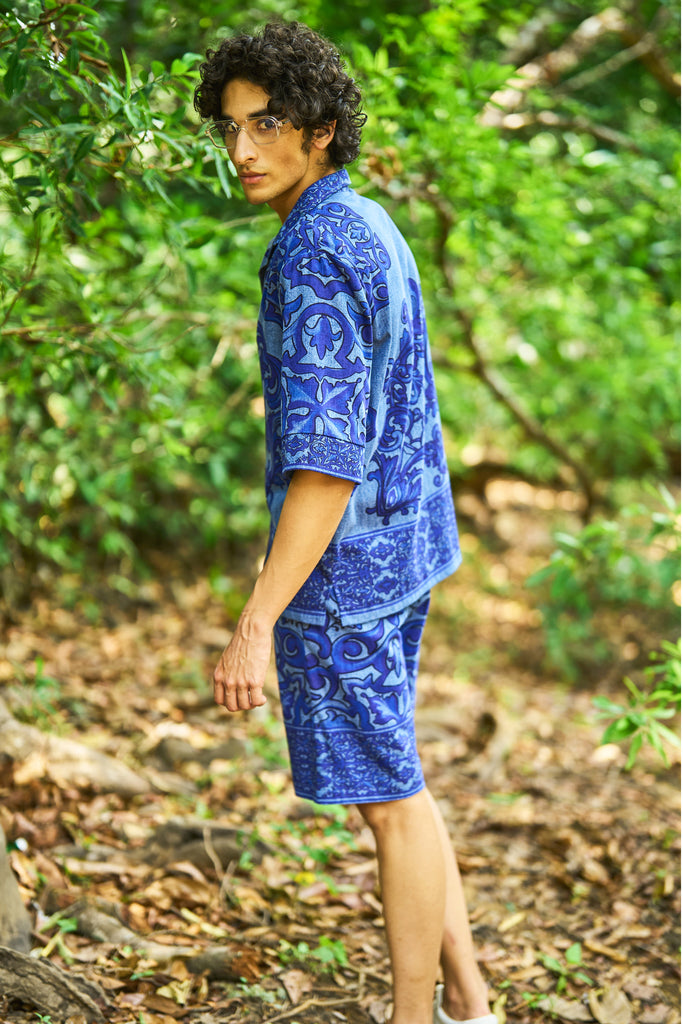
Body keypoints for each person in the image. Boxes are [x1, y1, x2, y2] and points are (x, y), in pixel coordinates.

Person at [194, 21, 496, 1024]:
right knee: (398, 783)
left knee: (390, 803)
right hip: (404, 549)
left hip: (348, 578)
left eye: (266, 124)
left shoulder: (312, 254)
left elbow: (326, 464)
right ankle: (470, 1002)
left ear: (319, 130)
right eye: (231, 127)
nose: (242, 149)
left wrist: (255, 620)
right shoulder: (366, 221)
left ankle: (416, 1016)